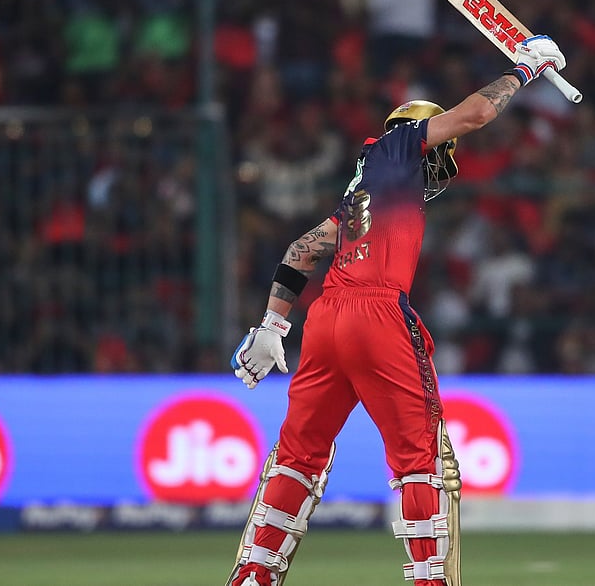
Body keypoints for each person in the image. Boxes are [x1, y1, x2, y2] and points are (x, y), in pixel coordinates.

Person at [225, 35, 568, 586]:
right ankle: (430, 579)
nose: (442, 162)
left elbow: (301, 250)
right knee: (422, 459)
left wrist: (272, 326)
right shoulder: (401, 144)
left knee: (298, 456)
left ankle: (254, 575)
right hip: (377, 315)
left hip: (325, 320)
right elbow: (477, 114)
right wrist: (525, 69)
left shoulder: (361, 192)